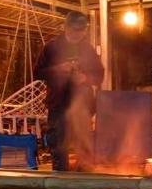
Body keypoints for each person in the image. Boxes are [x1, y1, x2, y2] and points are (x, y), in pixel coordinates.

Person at [35, 11, 105, 172]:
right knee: (59, 144)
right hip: (58, 104)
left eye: (81, 31)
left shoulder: (88, 49)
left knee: (84, 145)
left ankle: (83, 186)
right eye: (74, 30)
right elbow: (38, 72)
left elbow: (99, 74)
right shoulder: (51, 47)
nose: (77, 34)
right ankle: (60, 188)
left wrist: (85, 79)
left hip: (83, 105)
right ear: (65, 28)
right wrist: (58, 69)